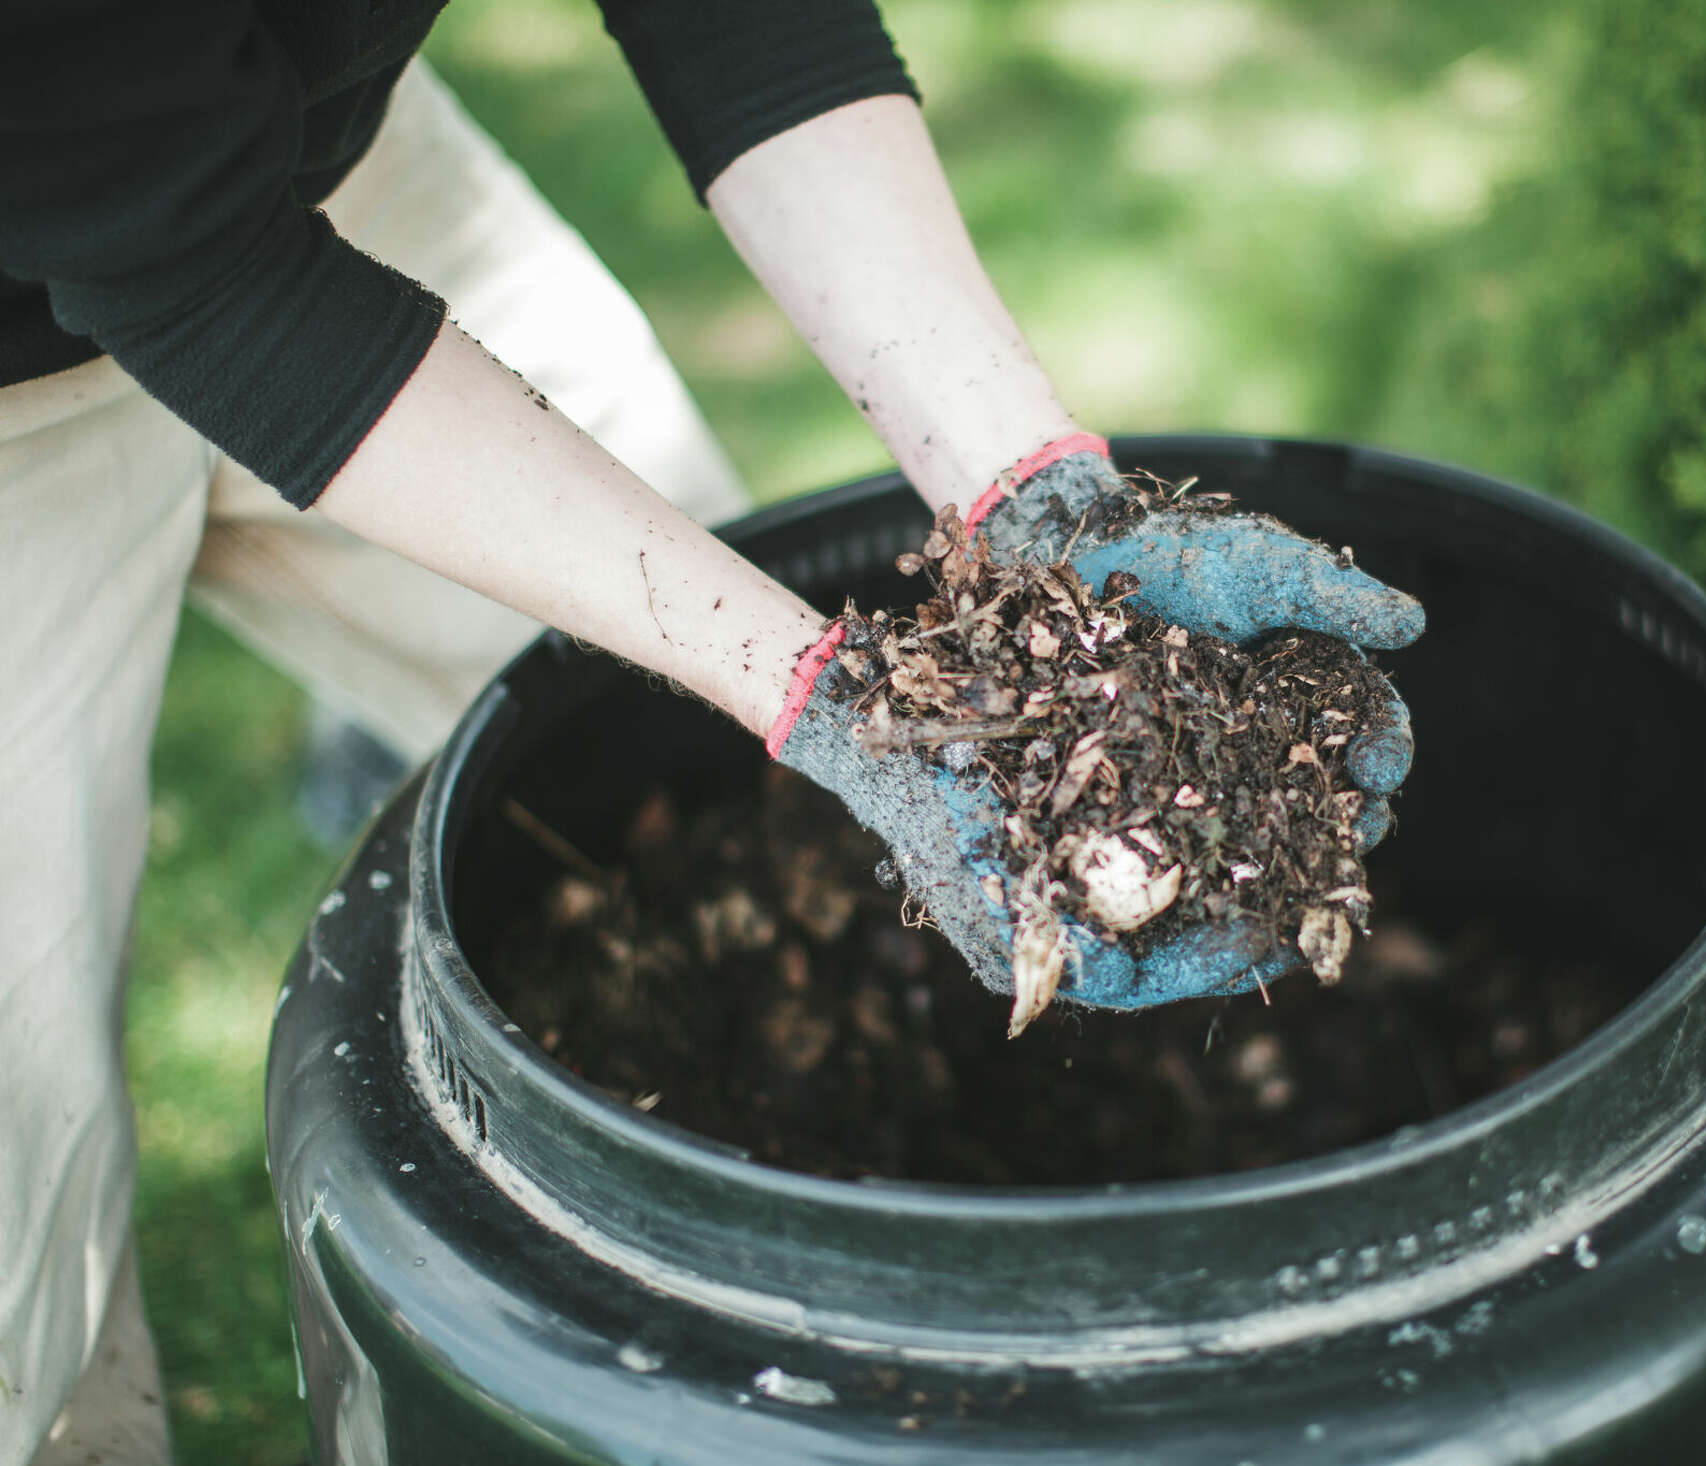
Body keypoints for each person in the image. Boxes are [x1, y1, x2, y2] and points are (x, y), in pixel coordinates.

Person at [0, 3, 1422, 1459]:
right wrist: (826, 694)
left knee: (710, 815)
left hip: (302, 165)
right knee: (18, 1251)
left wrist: (1034, 491)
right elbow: (187, 264)